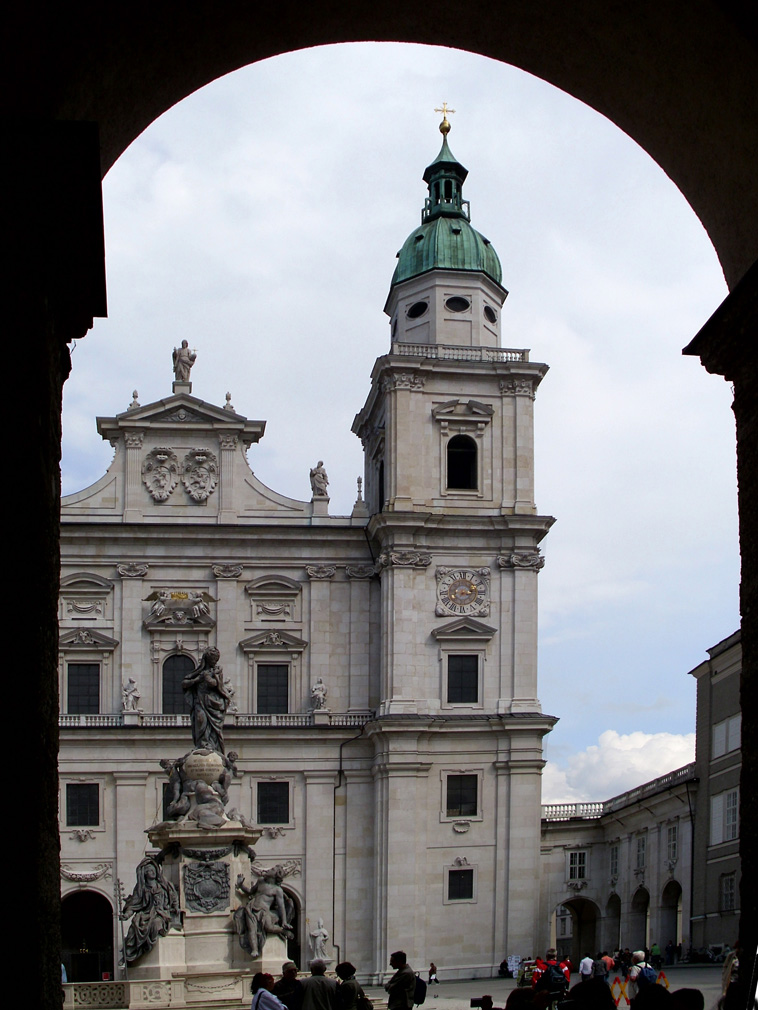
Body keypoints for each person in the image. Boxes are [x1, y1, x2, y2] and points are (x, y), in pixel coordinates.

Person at [182, 646, 231, 754]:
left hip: (213, 703)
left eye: (215, 660)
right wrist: (197, 680)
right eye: (212, 660)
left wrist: (213, 677)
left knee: (213, 729)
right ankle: (202, 744)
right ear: (207, 660)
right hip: (200, 701)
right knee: (200, 720)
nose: (214, 662)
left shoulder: (217, 671)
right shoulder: (200, 672)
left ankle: (211, 745)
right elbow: (184, 683)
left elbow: (215, 684)